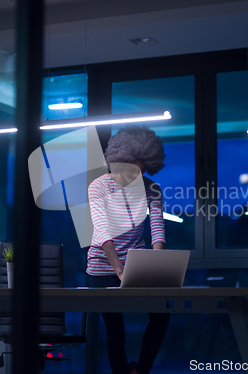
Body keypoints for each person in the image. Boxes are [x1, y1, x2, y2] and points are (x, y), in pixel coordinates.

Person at [87, 125, 170, 374]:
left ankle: (140, 372)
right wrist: (120, 270)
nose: (137, 177)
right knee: (116, 334)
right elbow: (102, 231)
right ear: (119, 162)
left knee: (161, 317)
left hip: (137, 264)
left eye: (143, 171)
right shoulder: (99, 187)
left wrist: (156, 265)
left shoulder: (151, 188)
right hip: (103, 267)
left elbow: (157, 229)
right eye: (133, 171)